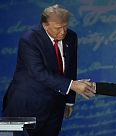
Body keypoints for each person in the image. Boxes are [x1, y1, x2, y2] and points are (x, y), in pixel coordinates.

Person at [2, 4, 95, 136]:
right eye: (58, 28)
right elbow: (38, 72)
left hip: (54, 108)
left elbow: (70, 68)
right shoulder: (29, 38)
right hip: (23, 106)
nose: (63, 32)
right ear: (45, 25)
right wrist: (73, 85)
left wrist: (69, 101)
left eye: (65, 26)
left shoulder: (71, 36)